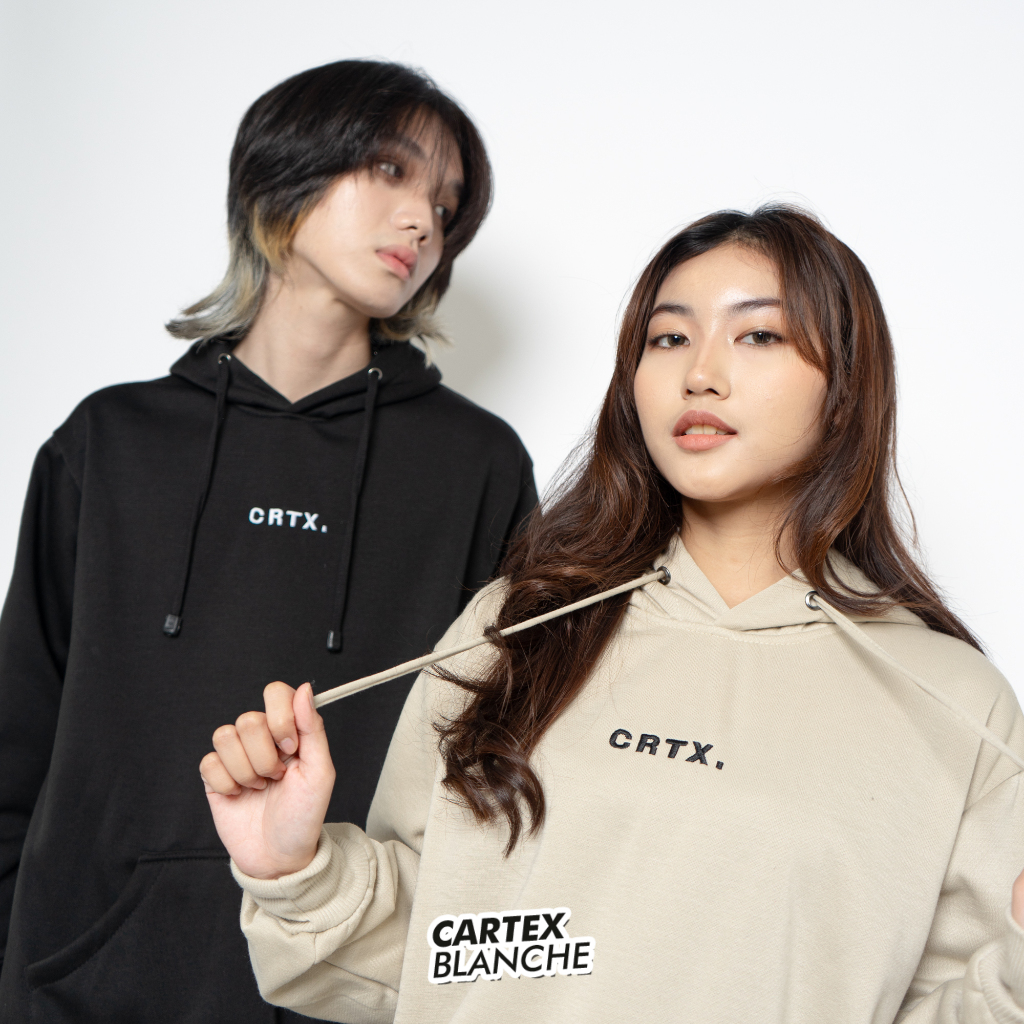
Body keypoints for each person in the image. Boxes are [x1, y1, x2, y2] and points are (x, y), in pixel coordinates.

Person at [202, 205, 1024, 1023]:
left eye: (758, 334)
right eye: (668, 338)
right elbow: (433, 959)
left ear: (845, 391)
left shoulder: (953, 698)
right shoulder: (516, 627)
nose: (700, 373)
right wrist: (294, 870)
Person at [0, 60, 536, 1023]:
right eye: (390, 169)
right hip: (85, 979)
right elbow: (18, 729)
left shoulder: (476, 466)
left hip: (338, 976)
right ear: (283, 172)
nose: (422, 221)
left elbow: (499, 759)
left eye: (446, 205)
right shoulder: (111, 442)